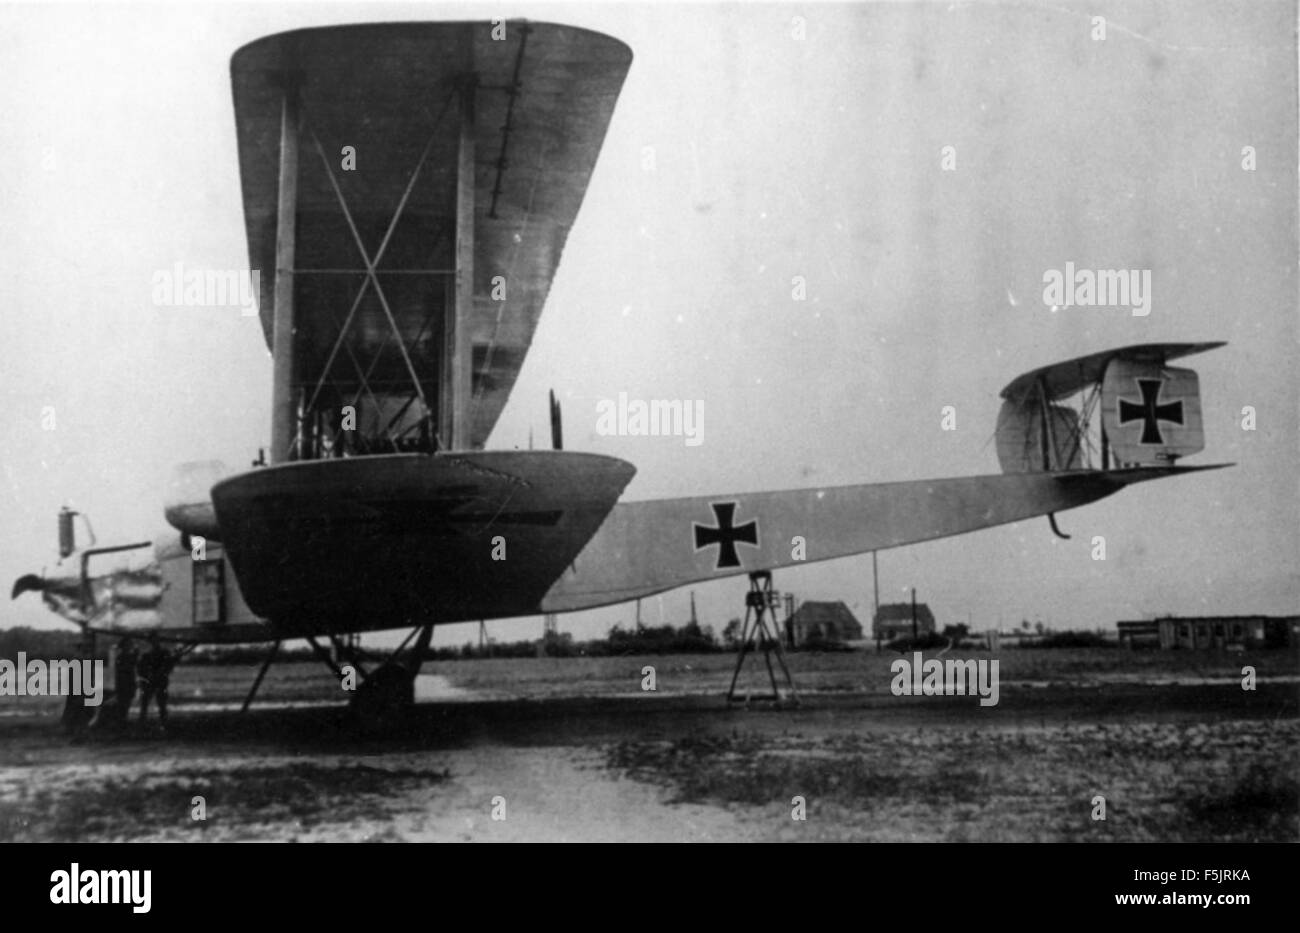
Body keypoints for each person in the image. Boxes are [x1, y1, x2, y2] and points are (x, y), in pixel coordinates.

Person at [137, 636, 175, 732]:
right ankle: (161, 723)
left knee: (150, 704)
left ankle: (144, 723)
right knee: (158, 704)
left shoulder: (147, 654)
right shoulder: (161, 653)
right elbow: (169, 666)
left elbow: (141, 668)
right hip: (157, 681)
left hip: (153, 682)